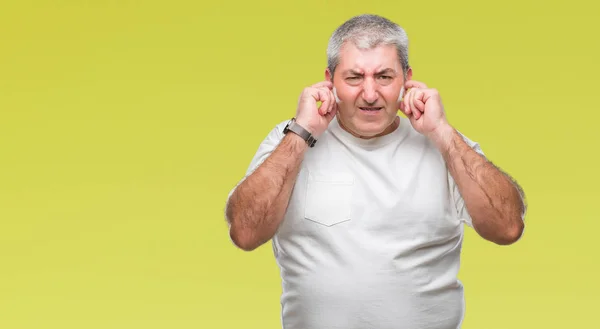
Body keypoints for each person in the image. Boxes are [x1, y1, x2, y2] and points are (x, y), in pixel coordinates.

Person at [224, 14, 526, 329]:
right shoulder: (290, 141)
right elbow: (245, 233)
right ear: (329, 82)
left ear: (407, 80)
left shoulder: (446, 145)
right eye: (354, 77)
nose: (370, 94)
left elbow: (507, 228)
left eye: (384, 76)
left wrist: (443, 133)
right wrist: (302, 132)